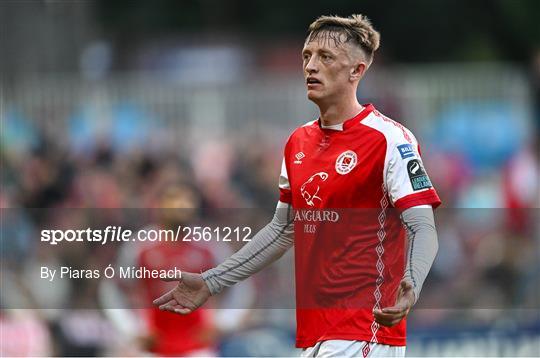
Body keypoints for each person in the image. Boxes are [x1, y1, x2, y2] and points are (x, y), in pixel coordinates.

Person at [154, 14, 441, 357]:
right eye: (307, 56)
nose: (311, 66)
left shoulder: (390, 139)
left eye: (325, 57)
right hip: (314, 335)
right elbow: (283, 230)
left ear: (357, 71)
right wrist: (213, 281)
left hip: (364, 332)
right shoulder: (297, 142)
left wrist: (413, 281)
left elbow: (423, 225)